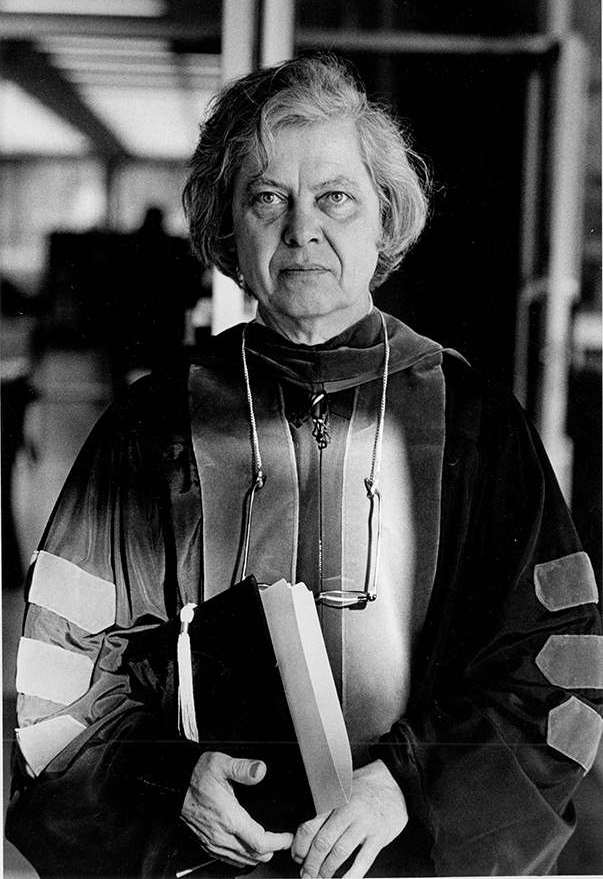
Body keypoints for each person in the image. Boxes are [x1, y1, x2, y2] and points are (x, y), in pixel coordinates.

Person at [6, 54, 602, 879]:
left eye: (334, 197)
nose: (301, 229)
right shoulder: (153, 429)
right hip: (202, 864)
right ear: (227, 229)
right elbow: (65, 673)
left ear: (381, 221)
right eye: (267, 198)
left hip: (406, 861)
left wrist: (404, 784)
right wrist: (170, 783)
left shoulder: (473, 425)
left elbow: (551, 673)